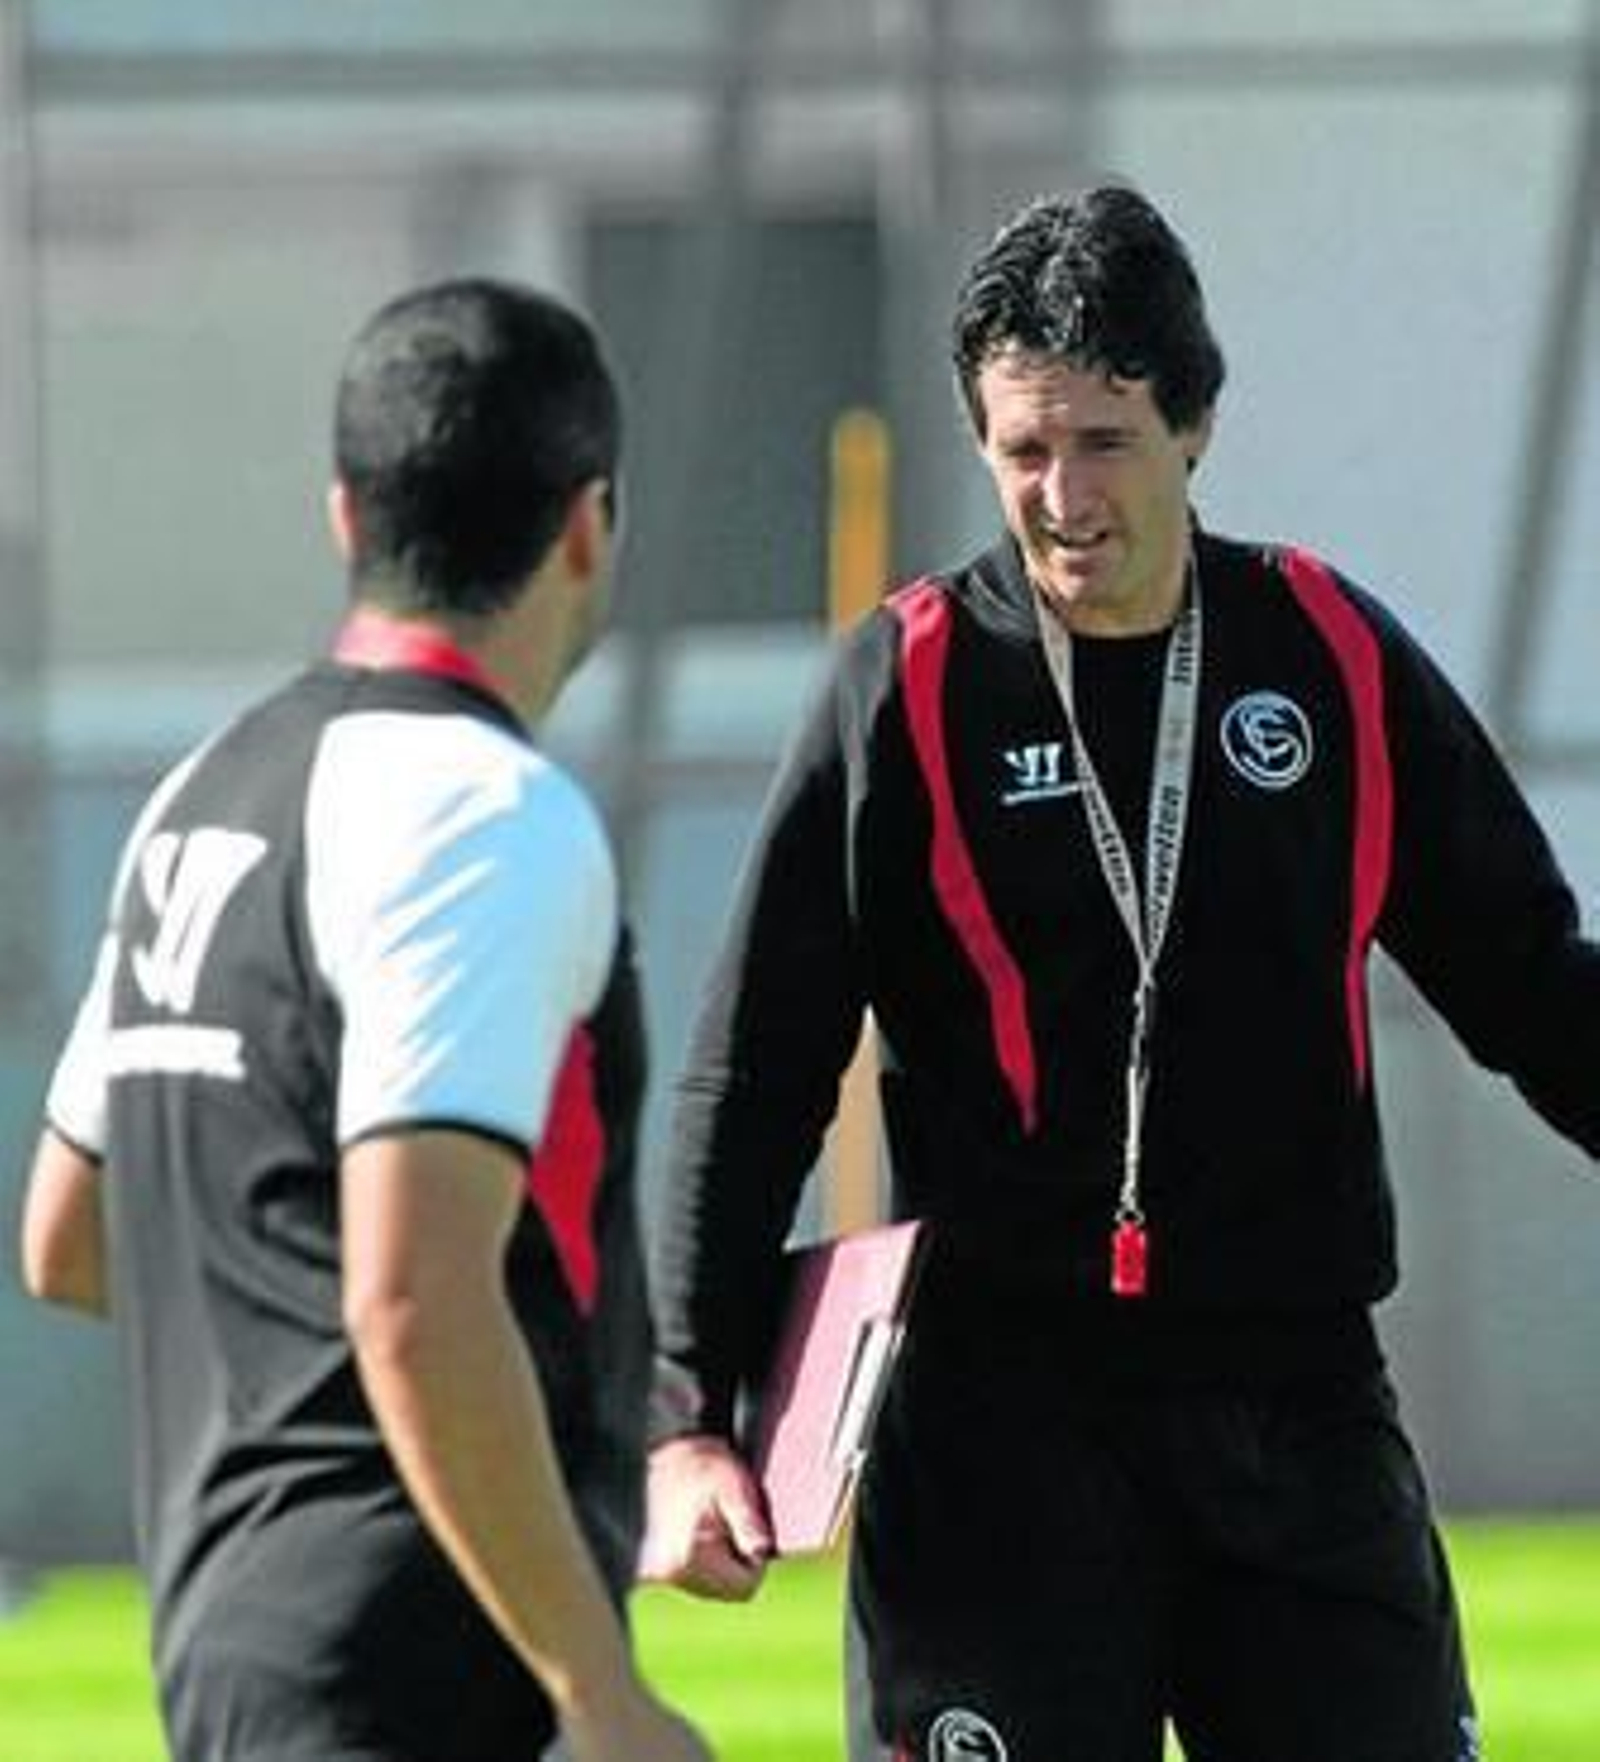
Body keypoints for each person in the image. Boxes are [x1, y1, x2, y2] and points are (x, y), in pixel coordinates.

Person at [640, 182, 1600, 1761]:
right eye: (1024, 449)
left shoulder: (1327, 657)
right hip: (999, 1425)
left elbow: (1536, 988)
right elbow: (750, 1073)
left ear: (1196, 426)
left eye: (1105, 441)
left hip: (1290, 1404)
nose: (1063, 496)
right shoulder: (910, 685)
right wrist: (686, 1418)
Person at [20, 279, 710, 1762]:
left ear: (347, 517)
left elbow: (68, 1235)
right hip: (422, 1657)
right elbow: (411, 1294)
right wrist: (603, 1692)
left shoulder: (204, 792)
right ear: (589, 525)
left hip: (225, 1648)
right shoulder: (481, 808)